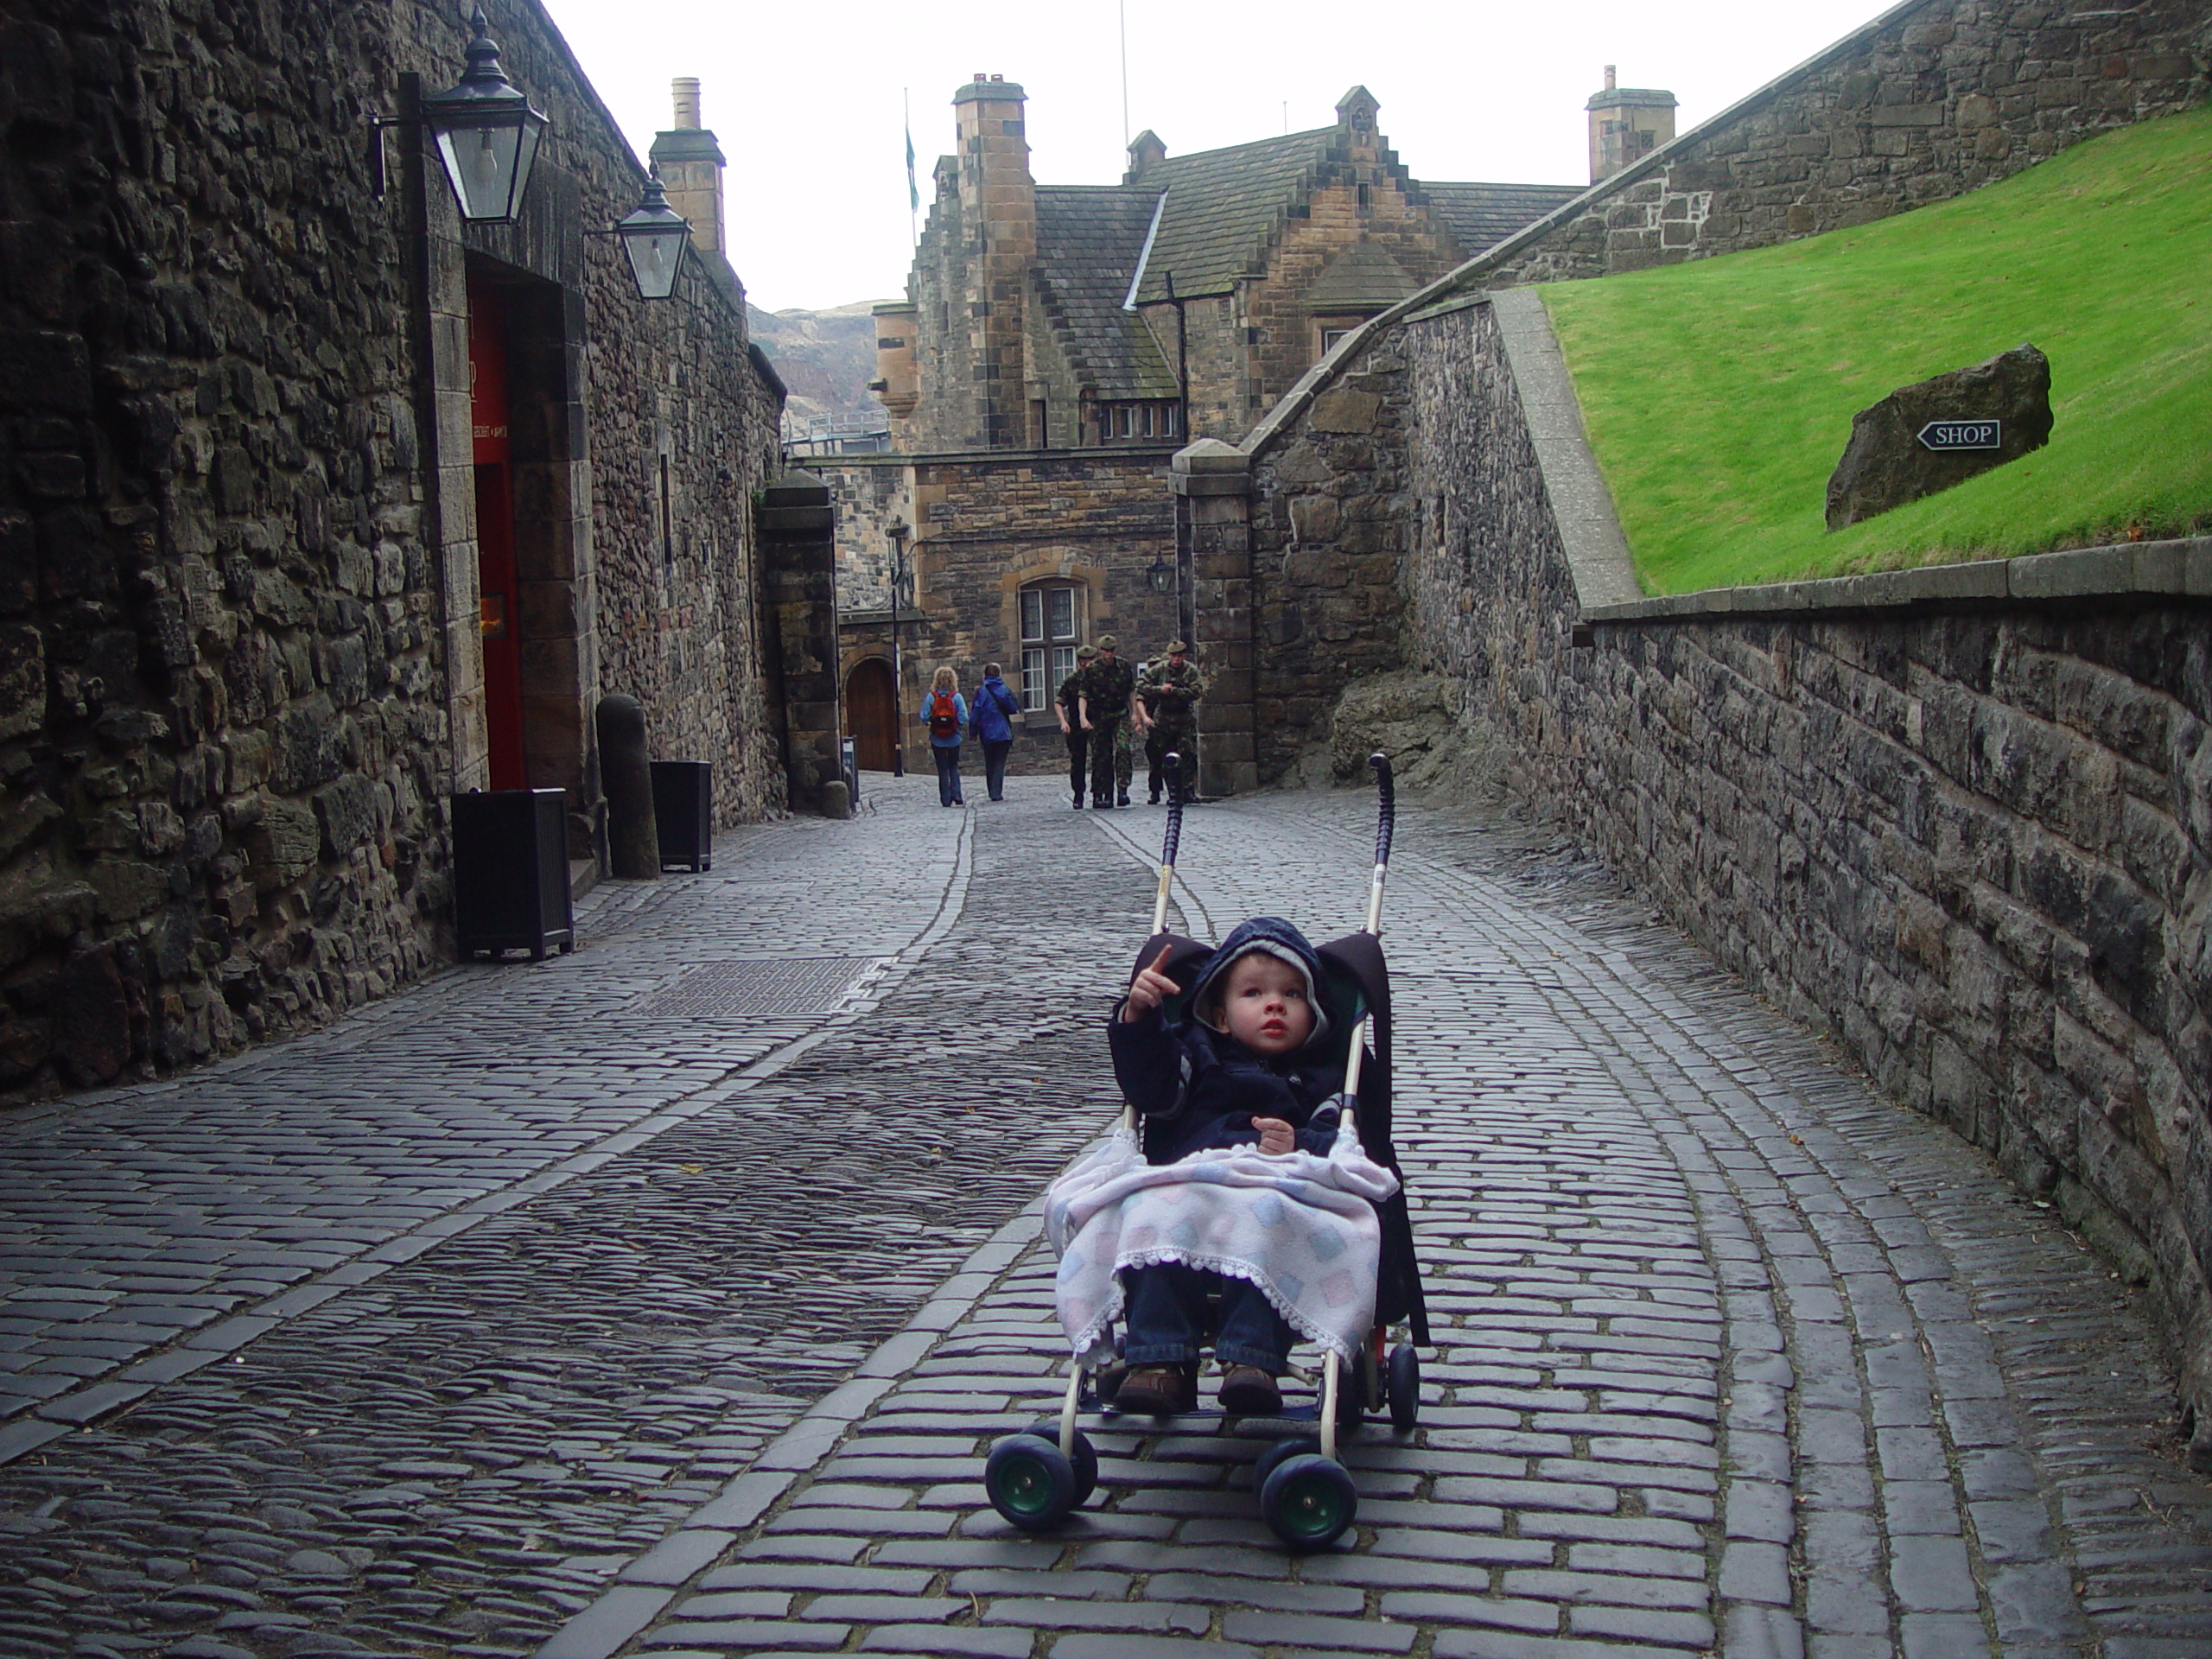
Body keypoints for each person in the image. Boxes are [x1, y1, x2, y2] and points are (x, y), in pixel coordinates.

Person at [1104, 917, 1344, 1415]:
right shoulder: (1197, 1052)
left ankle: (1250, 1359)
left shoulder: (1321, 1074)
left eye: (1293, 995)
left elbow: (1347, 1149)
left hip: (1272, 1190)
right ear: (1220, 1015)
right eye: (1254, 993)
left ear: (1315, 1011)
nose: (1274, 1004)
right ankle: (1159, 1361)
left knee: (1271, 1219)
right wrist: (1139, 1017)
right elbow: (1152, 1090)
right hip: (1191, 1183)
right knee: (1152, 1217)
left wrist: (1300, 1142)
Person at [1076, 634, 1141, 810]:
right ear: (1100, 651)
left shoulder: (1124, 666)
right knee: (1100, 756)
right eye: (1105, 651)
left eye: (1111, 651)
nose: (1109, 655)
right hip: (1099, 716)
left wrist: (1135, 713)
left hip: (1119, 714)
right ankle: (1100, 792)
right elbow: (1083, 695)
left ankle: (1122, 789)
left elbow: (1131, 691)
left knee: (1123, 749)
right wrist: (1083, 717)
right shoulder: (1092, 670)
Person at [1139, 640, 1204, 804]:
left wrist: (1175, 691)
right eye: (1174, 656)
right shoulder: (1159, 669)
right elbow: (1140, 685)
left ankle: (1188, 789)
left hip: (1183, 717)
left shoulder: (1190, 670)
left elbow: (1196, 691)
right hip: (1164, 719)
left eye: (1180, 656)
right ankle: (1173, 792)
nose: (1176, 659)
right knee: (1167, 757)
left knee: (1187, 753)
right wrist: (1159, 690)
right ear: (1169, 656)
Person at [969, 662, 1020, 802]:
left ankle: (992, 789)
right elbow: (1013, 708)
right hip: (1003, 732)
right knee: (999, 762)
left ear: (985, 675)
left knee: (989, 761)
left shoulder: (981, 692)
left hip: (986, 733)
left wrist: (973, 732)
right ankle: (996, 791)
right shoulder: (1004, 690)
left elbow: (975, 714)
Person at [918, 664, 968, 807]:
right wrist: (954, 726)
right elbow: (963, 717)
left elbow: (923, 716)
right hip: (954, 738)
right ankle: (957, 795)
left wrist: (932, 724)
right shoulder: (956, 697)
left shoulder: (931, 697)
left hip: (937, 738)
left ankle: (945, 799)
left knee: (942, 768)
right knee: (953, 766)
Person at [1057, 645, 1095, 809]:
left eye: (1090, 660)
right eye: (1083, 660)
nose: (1087, 663)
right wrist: (1063, 722)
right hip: (1076, 724)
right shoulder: (1072, 680)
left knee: (1100, 758)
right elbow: (1059, 702)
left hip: (1097, 721)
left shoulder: (1100, 677)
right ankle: (1078, 794)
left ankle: (1100, 792)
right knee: (1078, 760)